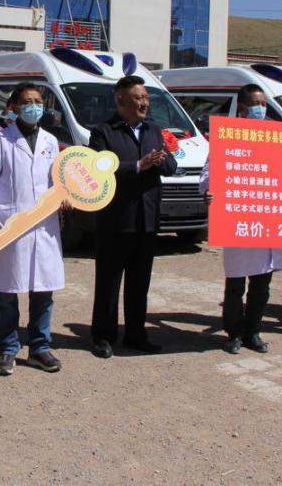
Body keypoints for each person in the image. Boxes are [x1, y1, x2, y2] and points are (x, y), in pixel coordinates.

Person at [0, 83, 67, 376]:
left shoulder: (51, 141)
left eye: (38, 102)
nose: (34, 107)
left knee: (43, 291)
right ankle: (8, 349)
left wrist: (67, 197)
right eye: (27, 102)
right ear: (13, 106)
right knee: (8, 291)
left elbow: (59, 181)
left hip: (44, 225)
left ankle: (39, 348)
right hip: (10, 226)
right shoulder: (0, 140)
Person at [88, 75, 178, 358]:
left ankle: (136, 335)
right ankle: (103, 337)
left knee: (140, 284)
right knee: (109, 283)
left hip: (147, 220)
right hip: (116, 220)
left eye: (146, 98)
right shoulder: (103, 132)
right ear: (121, 100)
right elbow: (99, 167)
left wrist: (162, 161)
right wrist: (138, 165)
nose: (144, 103)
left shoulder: (154, 130)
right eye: (138, 98)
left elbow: (171, 166)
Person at [201, 84, 282, 354]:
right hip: (239, 220)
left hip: (268, 221)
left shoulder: (277, 137)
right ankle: (234, 333)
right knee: (236, 283)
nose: (260, 109)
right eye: (255, 104)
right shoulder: (227, 137)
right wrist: (209, 191)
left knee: (261, 285)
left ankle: (253, 332)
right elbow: (208, 174)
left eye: (263, 104)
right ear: (242, 108)